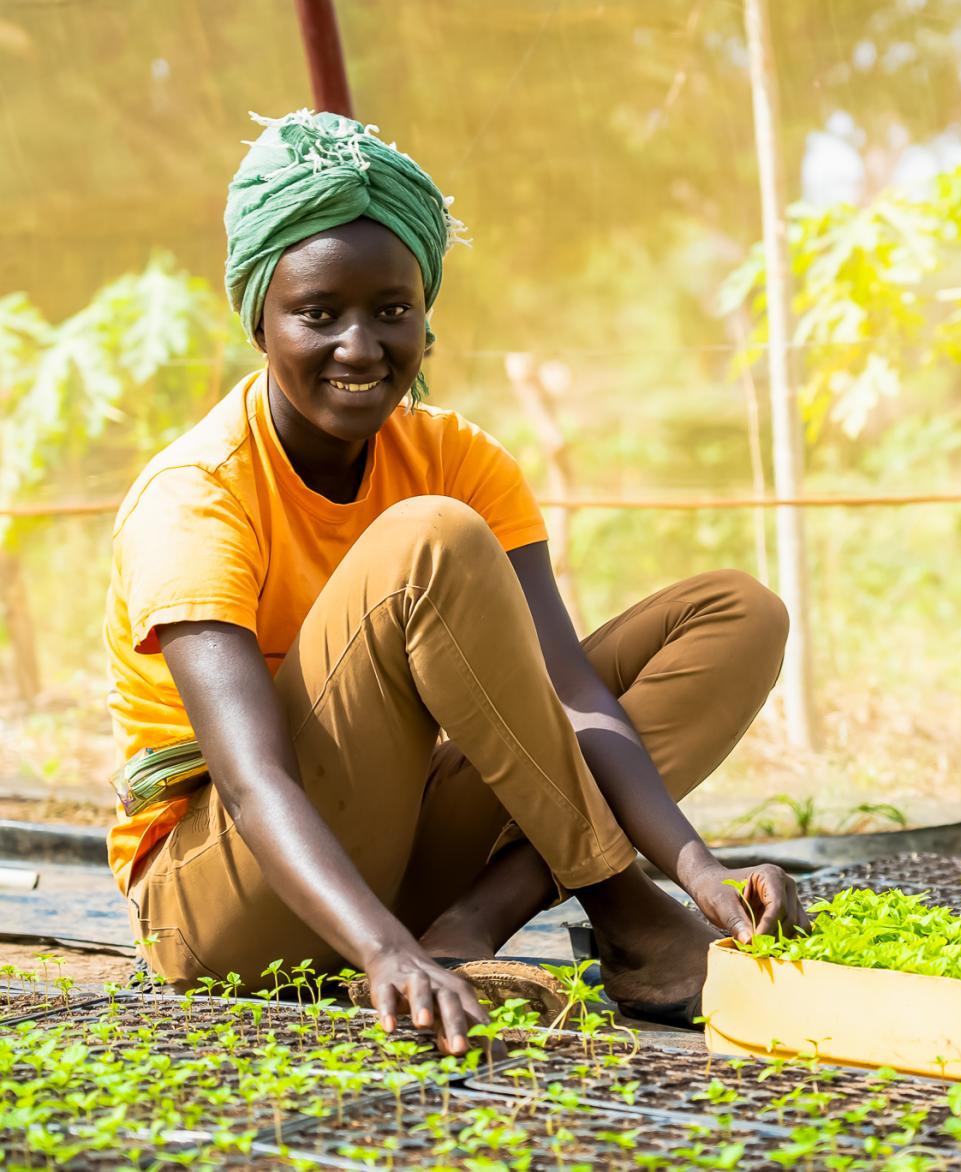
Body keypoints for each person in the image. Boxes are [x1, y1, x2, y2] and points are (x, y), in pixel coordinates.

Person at [104, 110, 807, 1055]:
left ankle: (472, 924)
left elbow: (572, 697)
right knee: (430, 539)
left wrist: (696, 865)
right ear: (260, 324)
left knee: (737, 616)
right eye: (319, 314)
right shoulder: (197, 495)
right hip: (229, 899)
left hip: (392, 855)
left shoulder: (455, 455)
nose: (361, 348)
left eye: (392, 309)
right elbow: (250, 775)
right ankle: (613, 914)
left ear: (427, 318)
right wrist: (384, 953)